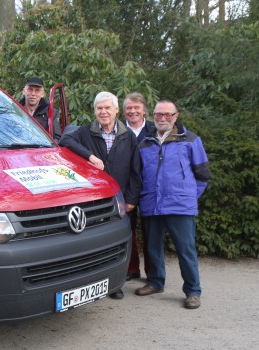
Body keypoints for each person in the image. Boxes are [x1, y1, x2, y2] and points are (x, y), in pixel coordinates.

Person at [59, 91, 142, 300]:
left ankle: (115, 284)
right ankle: (90, 282)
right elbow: (65, 139)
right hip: (95, 202)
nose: (103, 112)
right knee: (96, 243)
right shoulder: (86, 131)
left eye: (107, 108)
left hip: (119, 200)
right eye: (99, 108)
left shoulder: (127, 135)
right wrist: (90, 156)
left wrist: (131, 199)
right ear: (95, 111)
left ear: (116, 110)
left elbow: (136, 170)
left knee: (118, 243)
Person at [135, 100, 212, 310]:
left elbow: (203, 175)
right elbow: (138, 175)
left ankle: (193, 291)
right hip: (152, 204)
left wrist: (188, 196)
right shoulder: (145, 142)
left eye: (168, 115)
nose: (162, 118)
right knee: (152, 248)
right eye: (159, 114)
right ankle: (155, 282)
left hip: (181, 206)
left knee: (185, 249)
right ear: (153, 116)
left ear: (175, 116)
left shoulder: (190, 139)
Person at [122, 92, 155, 280]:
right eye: (129, 108)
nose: (132, 111)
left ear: (144, 111)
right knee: (129, 231)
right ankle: (132, 269)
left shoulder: (154, 129)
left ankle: (153, 273)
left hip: (150, 188)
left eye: (136, 108)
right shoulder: (118, 130)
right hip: (127, 188)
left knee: (151, 232)